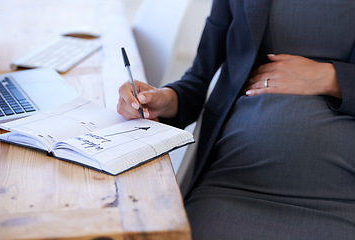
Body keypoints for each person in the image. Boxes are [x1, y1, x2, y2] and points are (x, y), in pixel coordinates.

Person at [118, 0, 355, 239]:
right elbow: (198, 79)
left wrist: (330, 77)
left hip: (340, 194)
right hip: (233, 181)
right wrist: (163, 99)